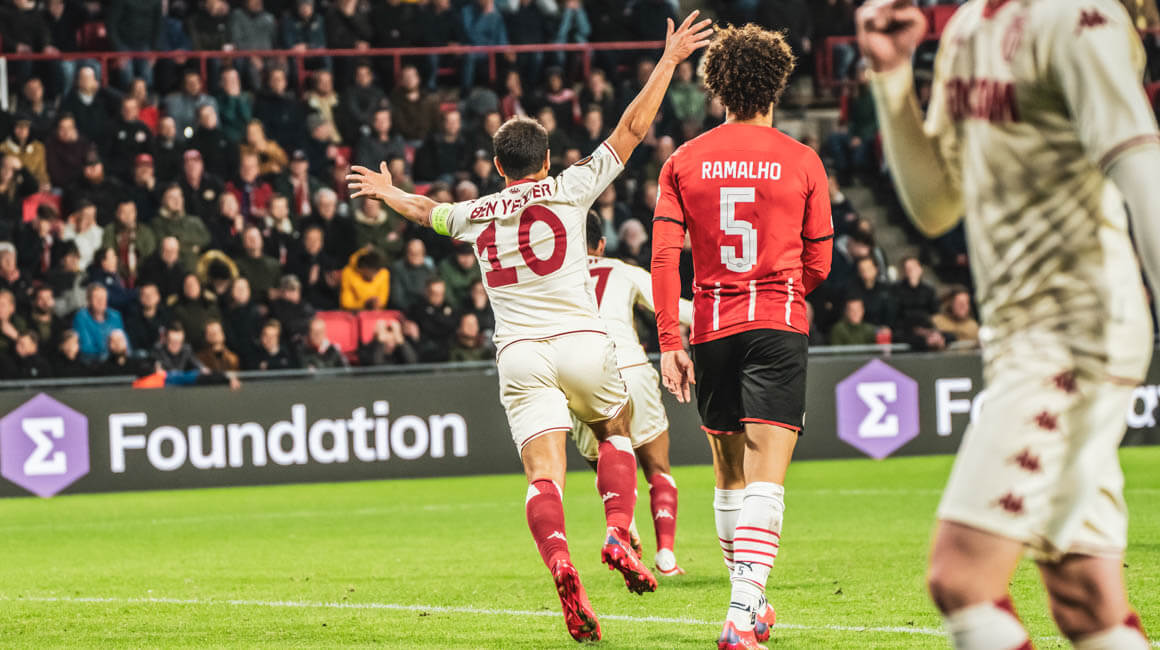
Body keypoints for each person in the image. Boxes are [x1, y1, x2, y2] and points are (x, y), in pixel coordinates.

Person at [347, 12, 712, 641]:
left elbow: (425, 211)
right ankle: (618, 532)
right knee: (616, 429)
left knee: (543, 476)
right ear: (545, 160)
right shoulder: (570, 188)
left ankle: (562, 564)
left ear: (498, 166)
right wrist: (668, 60)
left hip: (519, 354)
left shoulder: (475, 212)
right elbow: (631, 128)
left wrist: (388, 191)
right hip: (581, 343)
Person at [857, 1, 1160, 649]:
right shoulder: (970, 27)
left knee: (960, 580)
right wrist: (893, 77)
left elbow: (1142, 170)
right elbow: (937, 206)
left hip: (1076, 331)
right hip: (1023, 336)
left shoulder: (1078, 17)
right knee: (1086, 599)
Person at [650, 24, 833, 649]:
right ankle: (739, 615)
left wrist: (670, 340)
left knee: (729, 474)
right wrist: (781, 289)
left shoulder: (682, 161)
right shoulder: (802, 160)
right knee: (767, 477)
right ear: (777, 84)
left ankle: (750, 605)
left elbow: (664, 258)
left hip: (710, 327)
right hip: (776, 321)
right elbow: (819, 262)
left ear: (717, 88)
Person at [568, 210, 694, 575]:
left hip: (583, 375)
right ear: (601, 244)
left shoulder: (555, 279)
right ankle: (666, 556)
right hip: (631, 368)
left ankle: (625, 526)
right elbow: (675, 308)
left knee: (603, 461)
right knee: (657, 467)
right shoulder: (622, 271)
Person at [73, 283, 125, 362]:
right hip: (93, 361)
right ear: (89, 300)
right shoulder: (81, 317)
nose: (101, 301)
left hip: (115, 358)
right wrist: (111, 348)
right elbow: (86, 348)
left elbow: (123, 343)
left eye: (103, 298)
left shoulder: (115, 316)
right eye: (96, 298)